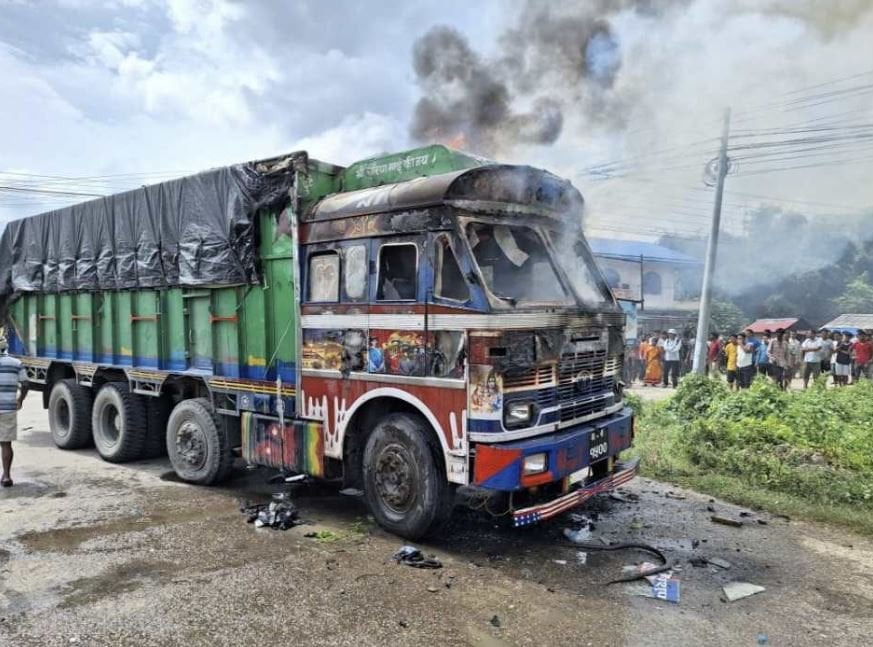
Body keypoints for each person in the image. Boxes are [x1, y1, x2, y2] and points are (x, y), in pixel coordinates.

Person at [0, 336, 29, 487]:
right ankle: (6, 476)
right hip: (8, 408)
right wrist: (20, 400)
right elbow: (25, 384)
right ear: (6, 348)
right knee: (6, 444)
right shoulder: (16, 363)